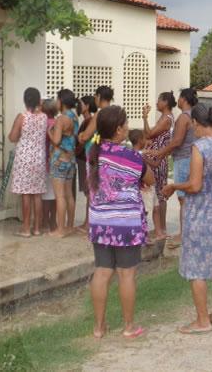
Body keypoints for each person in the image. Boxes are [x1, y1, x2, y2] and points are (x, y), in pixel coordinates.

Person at [162, 103, 212, 334]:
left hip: (201, 215)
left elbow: (195, 185)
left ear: (195, 123)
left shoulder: (200, 147)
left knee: (197, 268)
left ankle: (202, 320)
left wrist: (174, 185)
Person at [88, 105, 153, 339]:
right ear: (118, 130)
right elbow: (150, 179)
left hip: (100, 222)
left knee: (102, 272)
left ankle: (98, 327)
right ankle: (128, 327)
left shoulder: (93, 153)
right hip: (126, 224)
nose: (127, 127)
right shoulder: (132, 157)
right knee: (126, 275)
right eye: (125, 123)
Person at [149, 88, 197, 249]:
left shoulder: (184, 117)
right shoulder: (192, 116)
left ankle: (183, 235)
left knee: (183, 199)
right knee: (187, 198)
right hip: (189, 158)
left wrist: (159, 153)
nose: (178, 100)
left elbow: (176, 142)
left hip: (183, 159)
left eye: (180, 97)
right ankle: (187, 232)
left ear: (184, 99)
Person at [8, 88, 48, 237]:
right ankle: (37, 228)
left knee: (26, 194)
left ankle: (25, 228)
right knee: (37, 194)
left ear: (25, 100)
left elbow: (12, 137)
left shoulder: (22, 117)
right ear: (38, 100)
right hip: (39, 159)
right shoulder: (43, 117)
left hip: (24, 159)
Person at [142, 91, 176, 241]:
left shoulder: (166, 119)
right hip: (156, 156)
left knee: (160, 195)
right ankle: (160, 228)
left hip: (158, 159)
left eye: (158, 101)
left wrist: (144, 117)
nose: (156, 103)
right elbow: (149, 135)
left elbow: (149, 134)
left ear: (165, 103)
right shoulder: (164, 118)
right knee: (158, 195)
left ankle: (161, 229)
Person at [48, 89, 79, 237]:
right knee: (69, 195)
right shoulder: (74, 117)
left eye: (57, 99)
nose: (56, 102)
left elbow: (56, 140)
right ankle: (69, 226)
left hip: (59, 160)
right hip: (71, 160)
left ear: (62, 101)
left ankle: (60, 230)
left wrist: (49, 132)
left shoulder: (61, 119)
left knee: (59, 196)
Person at [75, 95, 98, 233]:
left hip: (85, 158)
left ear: (87, 106)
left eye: (81, 104)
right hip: (85, 158)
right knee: (88, 191)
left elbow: (83, 141)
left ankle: (88, 222)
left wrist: (74, 151)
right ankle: (87, 221)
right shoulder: (87, 120)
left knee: (88, 191)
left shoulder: (88, 121)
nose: (79, 106)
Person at [78, 85, 114, 157]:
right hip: (111, 152)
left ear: (99, 96)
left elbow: (85, 137)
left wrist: (80, 135)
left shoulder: (99, 114)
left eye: (95, 97)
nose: (95, 100)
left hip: (97, 154)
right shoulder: (115, 112)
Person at [129, 129, 157, 223]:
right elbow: (142, 153)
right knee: (143, 212)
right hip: (143, 187)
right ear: (140, 140)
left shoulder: (130, 153)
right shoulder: (140, 154)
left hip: (136, 187)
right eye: (144, 138)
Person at [41, 99, 57, 232]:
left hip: (46, 162)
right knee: (55, 195)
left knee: (46, 196)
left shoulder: (43, 123)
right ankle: (53, 222)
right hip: (56, 162)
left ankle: (45, 222)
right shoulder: (57, 122)